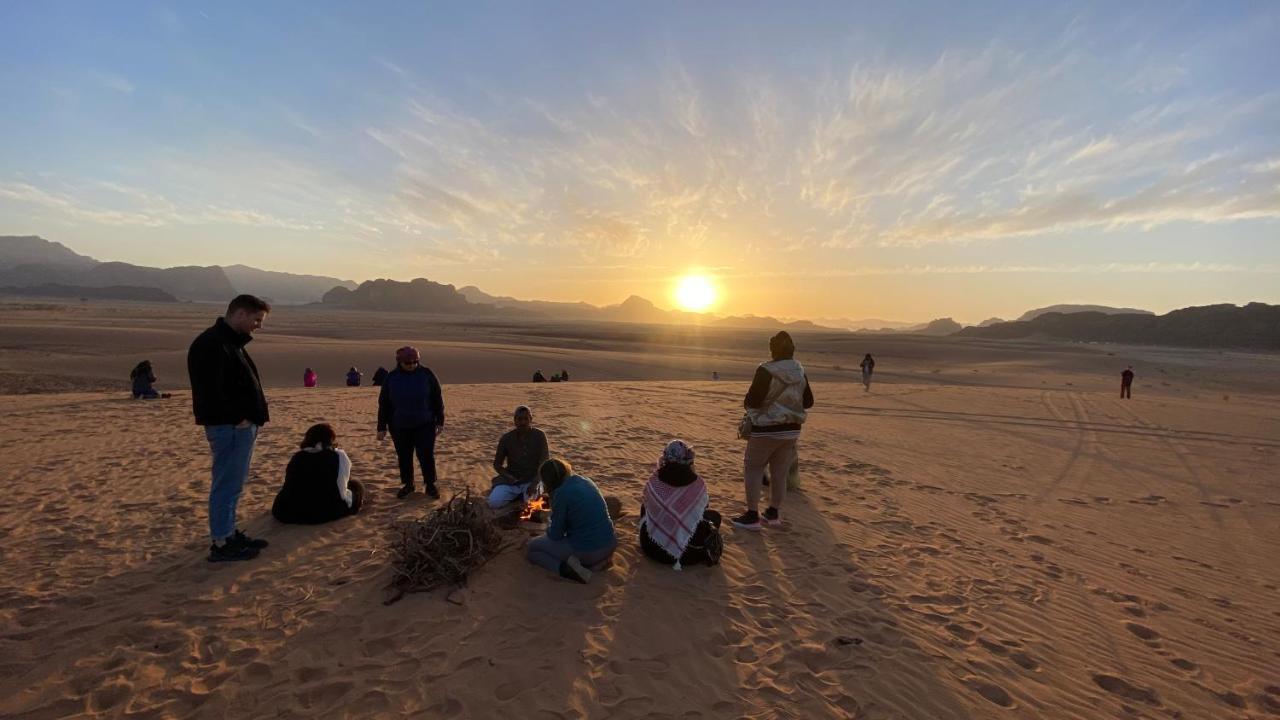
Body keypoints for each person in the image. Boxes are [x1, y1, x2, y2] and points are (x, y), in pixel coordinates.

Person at [188, 294, 272, 562]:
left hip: (237, 427)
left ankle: (228, 532)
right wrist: (239, 418)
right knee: (226, 484)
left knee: (233, 484)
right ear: (239, 315)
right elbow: (211, 391)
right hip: (230, 428)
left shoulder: (228, 343)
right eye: (256, 320)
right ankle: (222, 543)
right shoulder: (212, 344)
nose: (258, 325)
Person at [733, 331, 814, 531]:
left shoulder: (766, 370)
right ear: (792, 350)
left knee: (753, 467)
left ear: (773, 350)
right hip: (792, 431)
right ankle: (773, 513)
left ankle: (752, 515)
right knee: (779, 472)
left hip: (765, 429)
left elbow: (752, 401)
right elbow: (808, 401)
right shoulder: (799, 370)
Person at [526, 458, 617, 584]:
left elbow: (555, 535)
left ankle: (566, 570)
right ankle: (595, 565)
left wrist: (546, 521)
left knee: (532, 549)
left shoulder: (561, 494)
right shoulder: (584, 480)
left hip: (589, 551)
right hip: (610, 543)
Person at [639, 440, 723, 569]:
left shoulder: (654, 480)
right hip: (687, 555)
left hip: (650, 548)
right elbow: (702, 511)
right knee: (714, 517)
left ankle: (663, 536)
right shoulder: (698, 484)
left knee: (646, 507)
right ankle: (679, 544)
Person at [377, 346, 445, 499]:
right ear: (400, 362)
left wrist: (440, 421)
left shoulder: (427, 374)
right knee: (404, 455)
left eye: (415, 362)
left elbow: (437, 398)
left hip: (425, 423)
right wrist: (381, 427)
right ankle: (408, 484)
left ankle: (430, 484)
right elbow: (384, 403)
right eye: (408, 363)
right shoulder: (391, 377)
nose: (412, 365)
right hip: (399, 425)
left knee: (426, 454)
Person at [272, 423, 364, 524]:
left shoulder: (297, 457)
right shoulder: (337, 456)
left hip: (286, 512)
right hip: (321, 514)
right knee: (356, 486)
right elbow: (342, 490)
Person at [489, 405, 550, 509]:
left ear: (531, 420)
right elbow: (497, 464)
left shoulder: (540, 436)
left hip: (532, 480)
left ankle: (526, 496)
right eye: (519, 419)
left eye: (526, 419)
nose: (522, 422)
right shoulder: (506, 438)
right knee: (494, 502)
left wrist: (535, 482)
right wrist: (509, 477)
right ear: (515, 421)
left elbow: (544, 463)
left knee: (531, 505)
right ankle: (516, 496)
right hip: (512, 481)